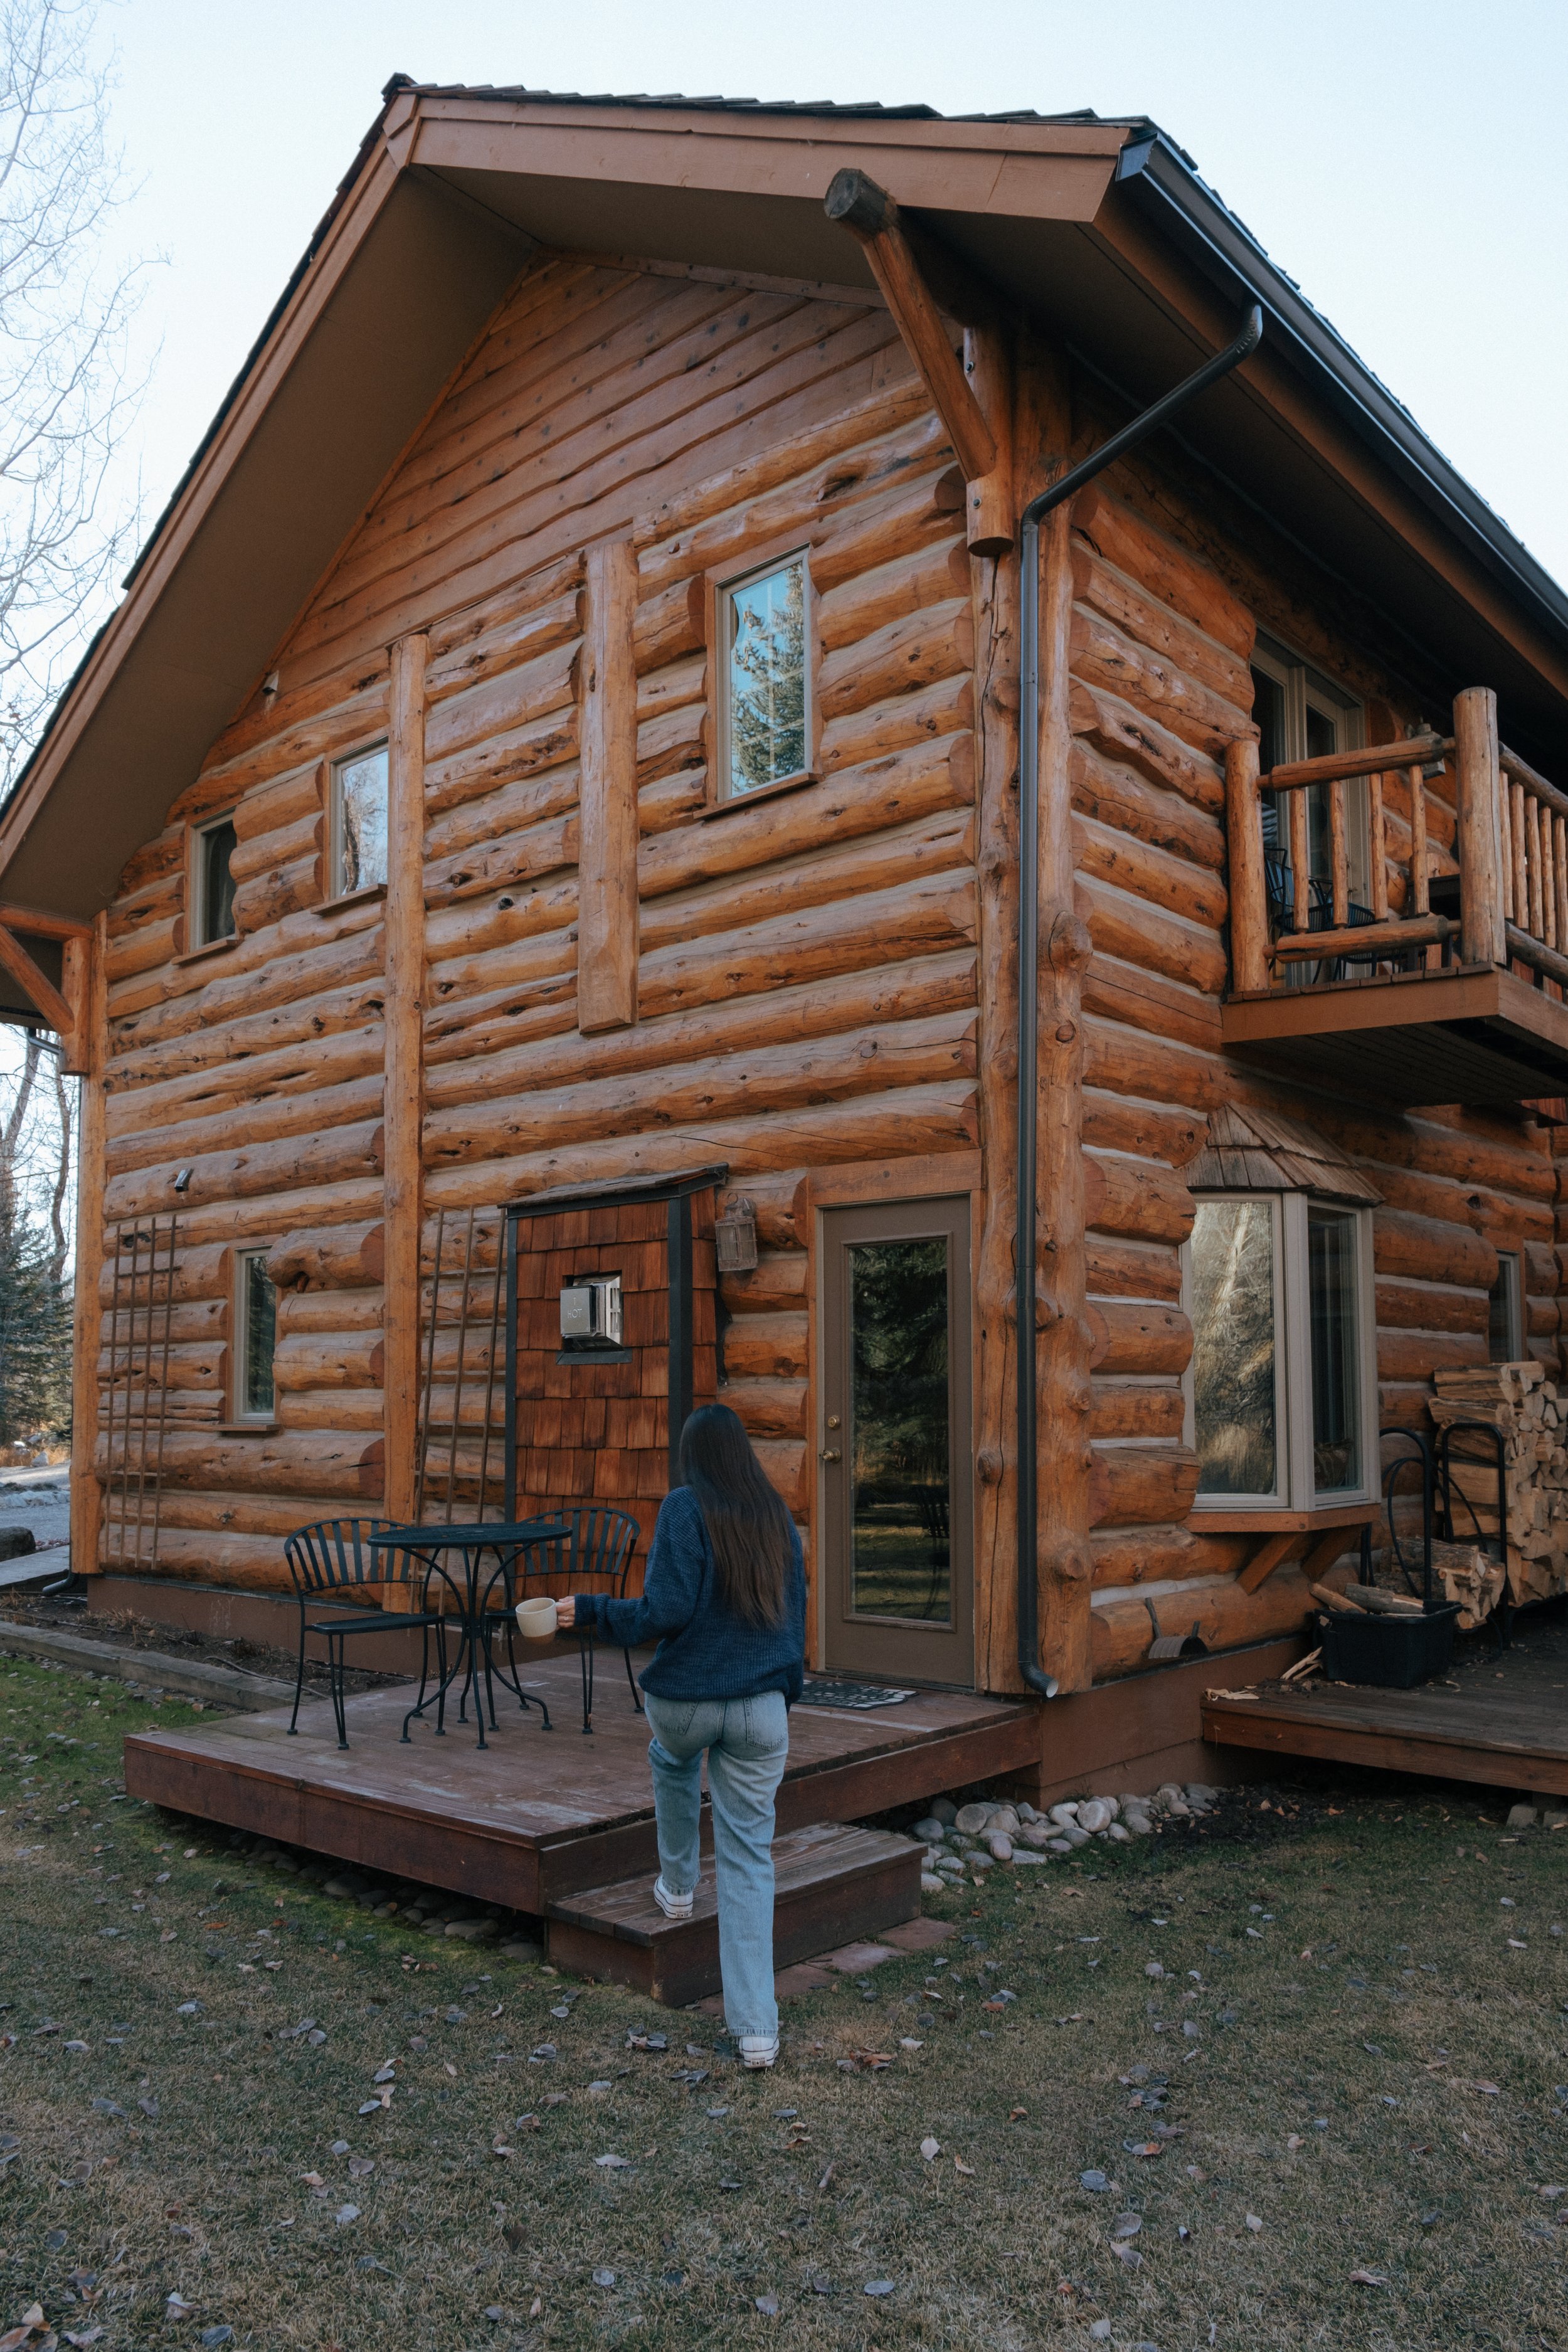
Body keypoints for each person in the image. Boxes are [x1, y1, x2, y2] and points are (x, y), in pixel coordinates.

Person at [558, 1403, 805, 2069]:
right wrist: (784, 1693)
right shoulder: (776, 1516)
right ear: (744, 1452)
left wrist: (592, 1611)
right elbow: (795, 1622)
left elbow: (661, 1612)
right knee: (748, 1857)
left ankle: (676, 1886)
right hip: (761, 1709)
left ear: (692, 1455)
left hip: (685, 1704)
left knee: (671, 1757)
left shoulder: (683, 1507)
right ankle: (757, 2032)